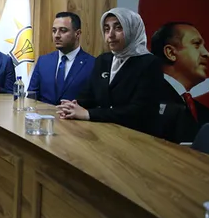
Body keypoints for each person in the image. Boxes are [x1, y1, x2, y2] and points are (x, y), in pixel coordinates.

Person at [58, 8, 163, 136]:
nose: (111, 35)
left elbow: (139, 111)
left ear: (133, 30)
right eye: (107, 29)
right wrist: (72, 106)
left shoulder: (150, 63)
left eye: (118, 28)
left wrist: (88, 114)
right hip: (105, 132)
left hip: (137, 137)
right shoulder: (103, 60)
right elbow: (89, 95)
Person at [28, 12, 95, 105]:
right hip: (43, 113)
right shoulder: (43, 62)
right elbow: (31, 97)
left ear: (77, 34)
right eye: (54, 30)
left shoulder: (93, 64)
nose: (56, 35)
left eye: (63, 30)